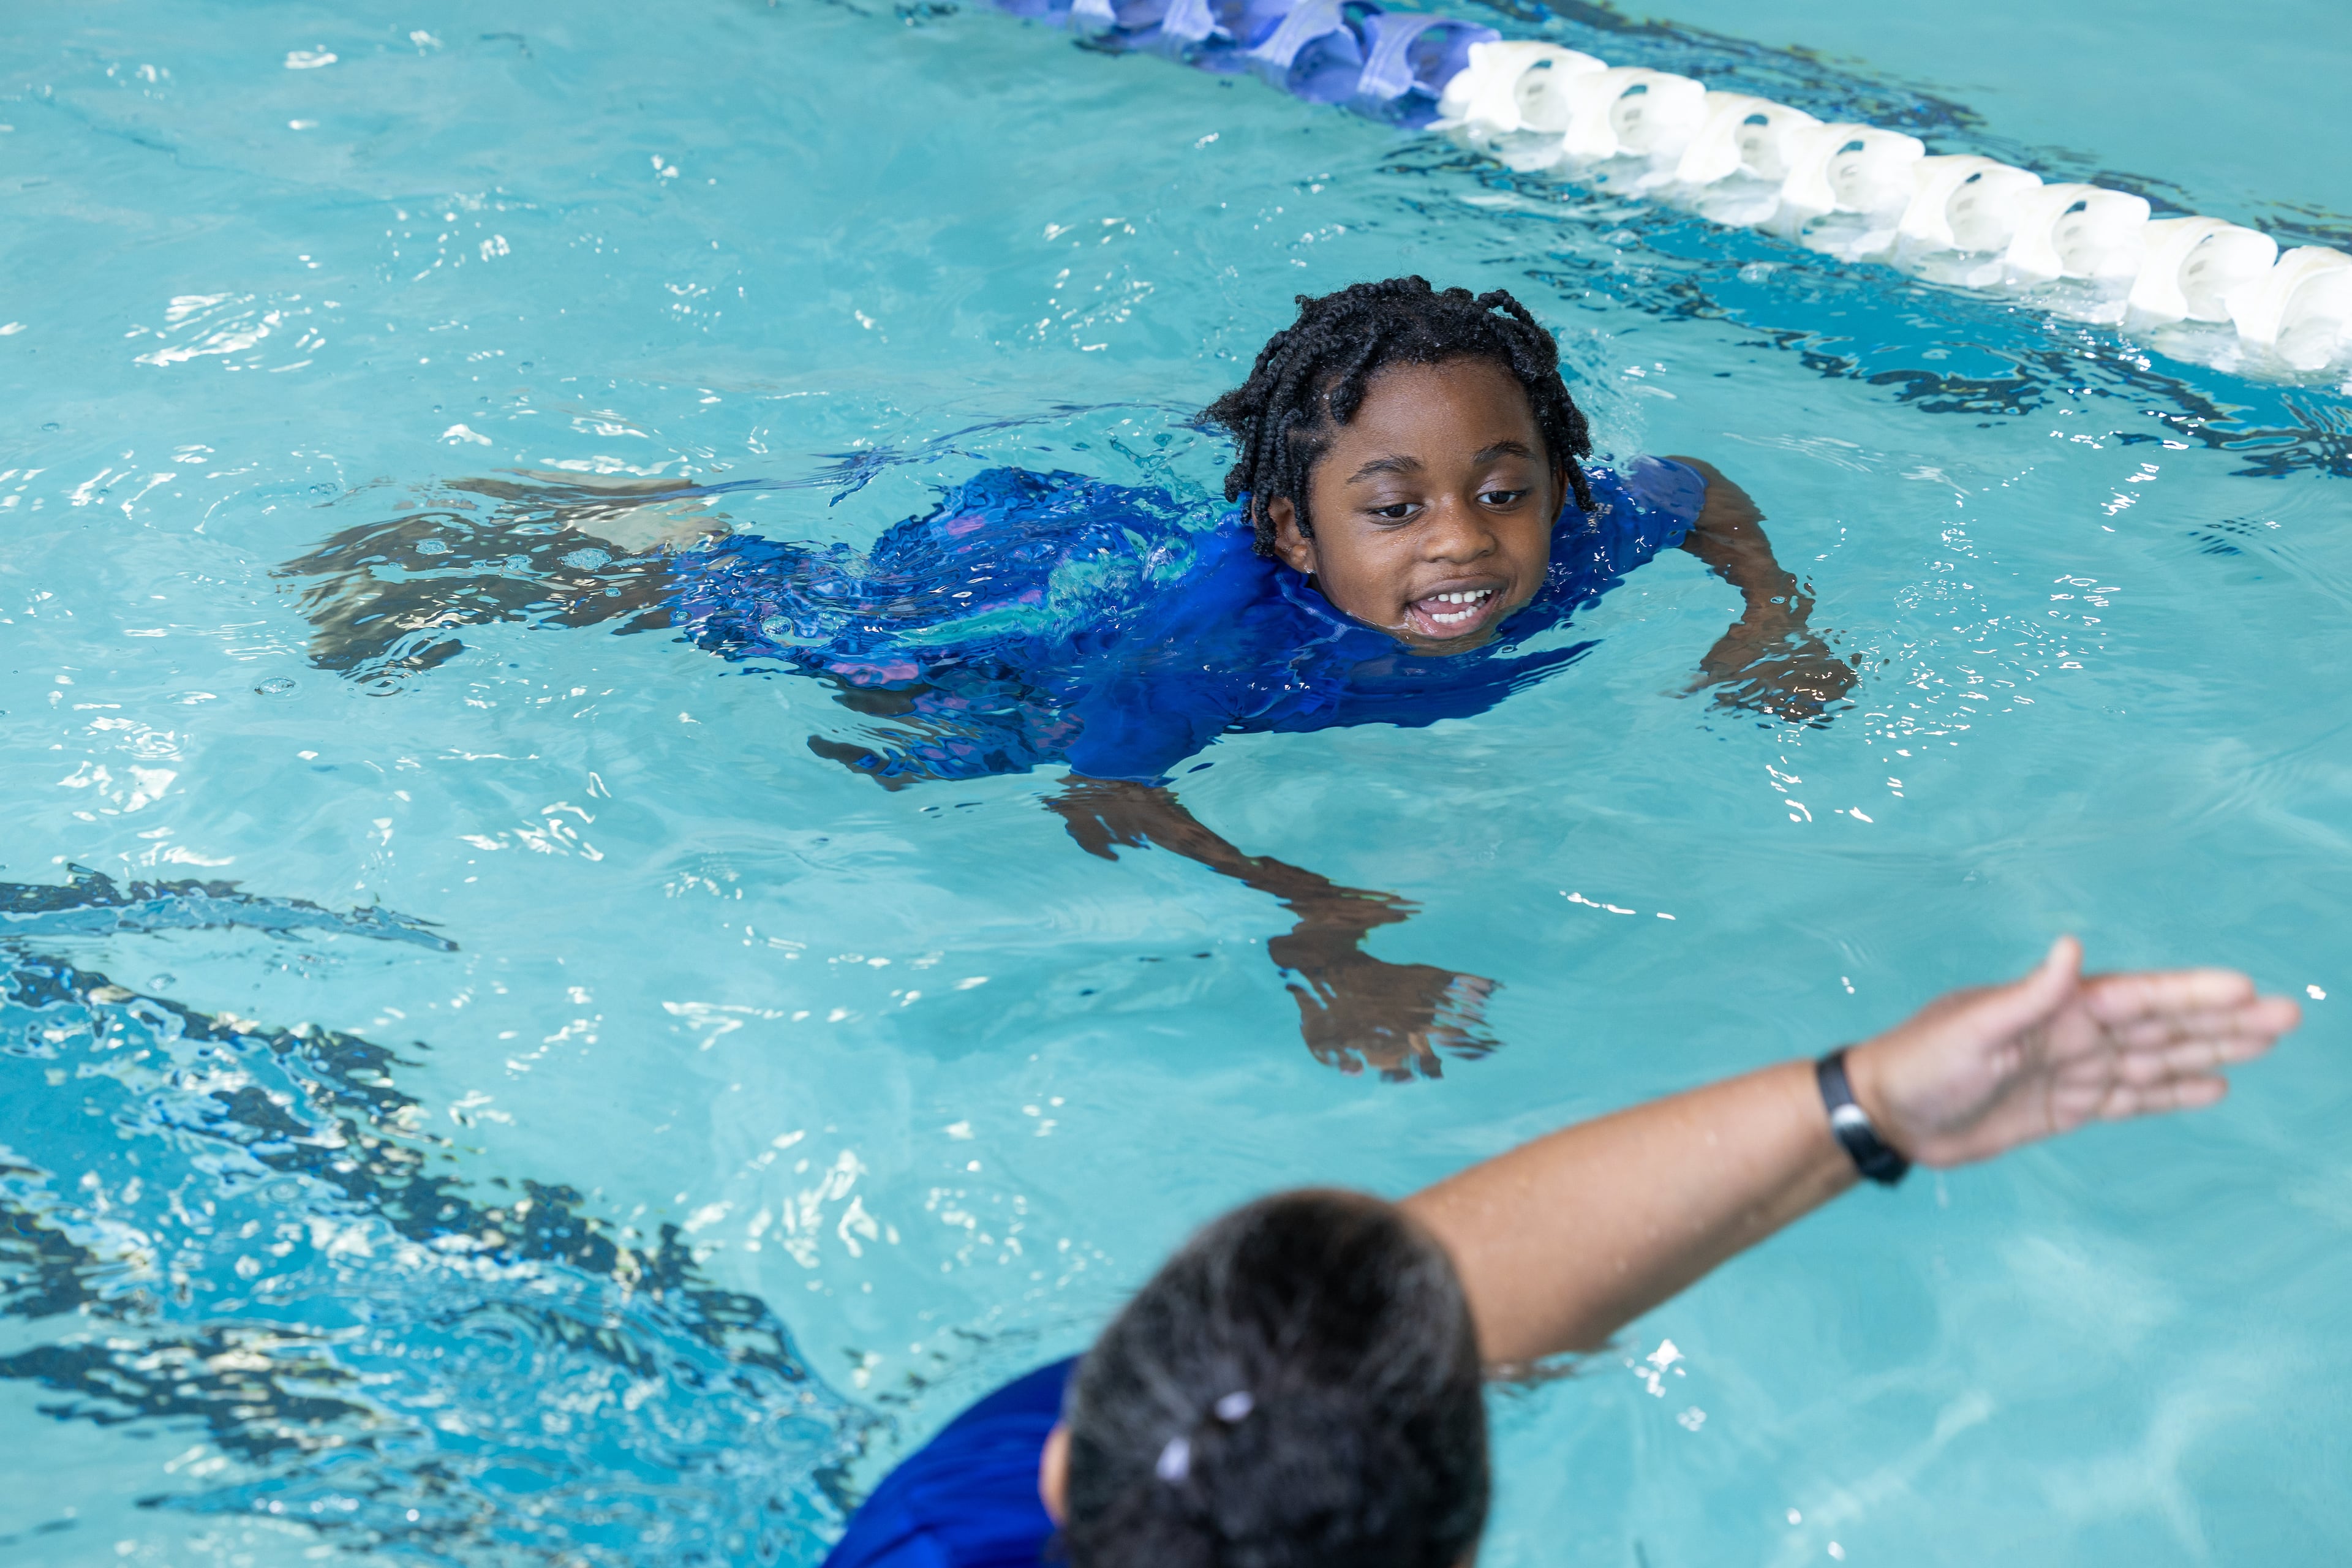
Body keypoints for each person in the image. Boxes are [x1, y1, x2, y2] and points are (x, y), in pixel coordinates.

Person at [281, 279, 1852, 1076]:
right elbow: (1108, 785)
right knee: (896, 697)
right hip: (1060, 602)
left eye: (1503, 488)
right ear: (1299, 538)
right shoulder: (1223, 643)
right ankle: (588, 545)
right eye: (1393, 509)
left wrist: (1767, 618)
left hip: (1140, 553)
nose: (1464, 544)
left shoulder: (1581, 535)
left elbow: (1698, 487)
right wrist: (1306, 909)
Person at [818, 937, 2301, 1567]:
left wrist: (1872, 1104)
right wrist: (1860, 1103)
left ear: (1068, 1465)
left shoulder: (956, 1523)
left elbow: (1458, 1286)